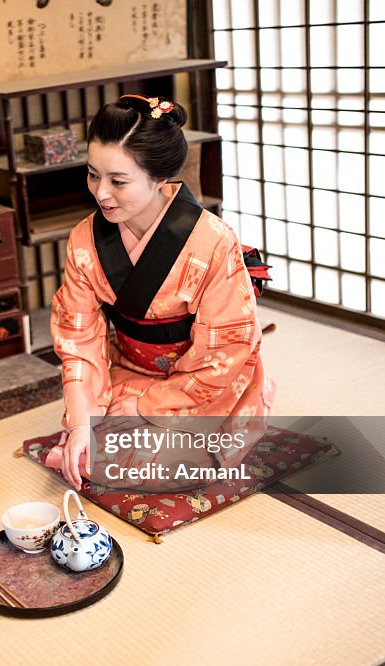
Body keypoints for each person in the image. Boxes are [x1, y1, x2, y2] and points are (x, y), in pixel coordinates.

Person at [46, 95, 275, 491]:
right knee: (88, 447)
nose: (101, 193)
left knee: (161, 464)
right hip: (132, 371)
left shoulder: (212, 242)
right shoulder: (85, 240)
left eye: (118, 181)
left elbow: (227, 350)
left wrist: (144, 407)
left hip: (203, 386)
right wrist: (84, 419)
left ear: (158, 178)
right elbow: (79, 339)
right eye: (92, 174)